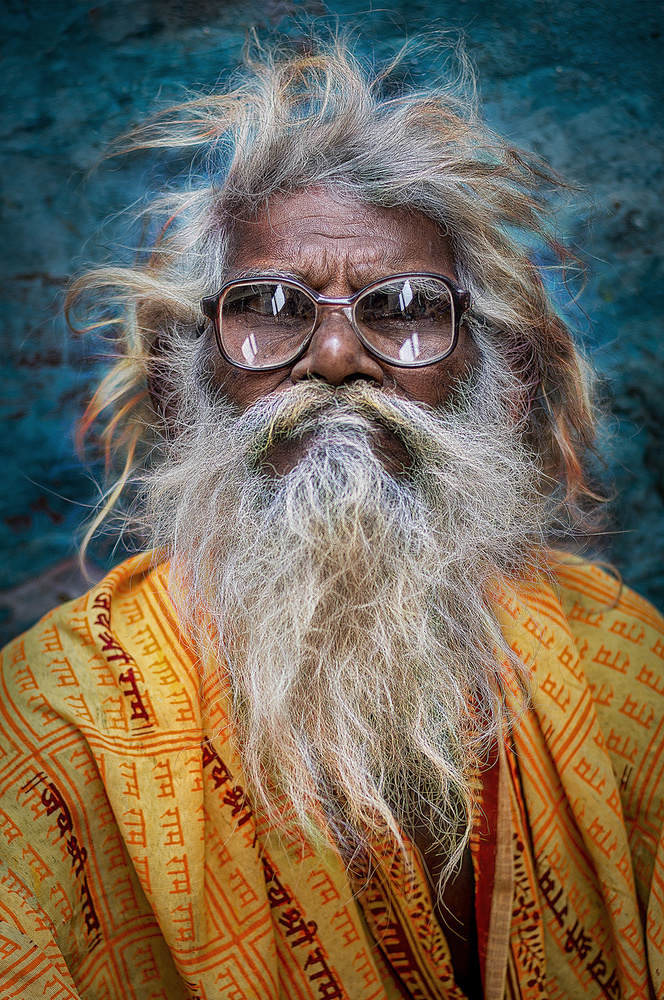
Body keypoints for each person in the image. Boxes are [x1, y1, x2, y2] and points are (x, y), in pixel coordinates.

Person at [1, 36, 663, 1000]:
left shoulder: (624, 664)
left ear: (504, 383)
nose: (340, 355)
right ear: (182, 388)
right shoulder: (55, 719)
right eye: (269, 306)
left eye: (404, 308)